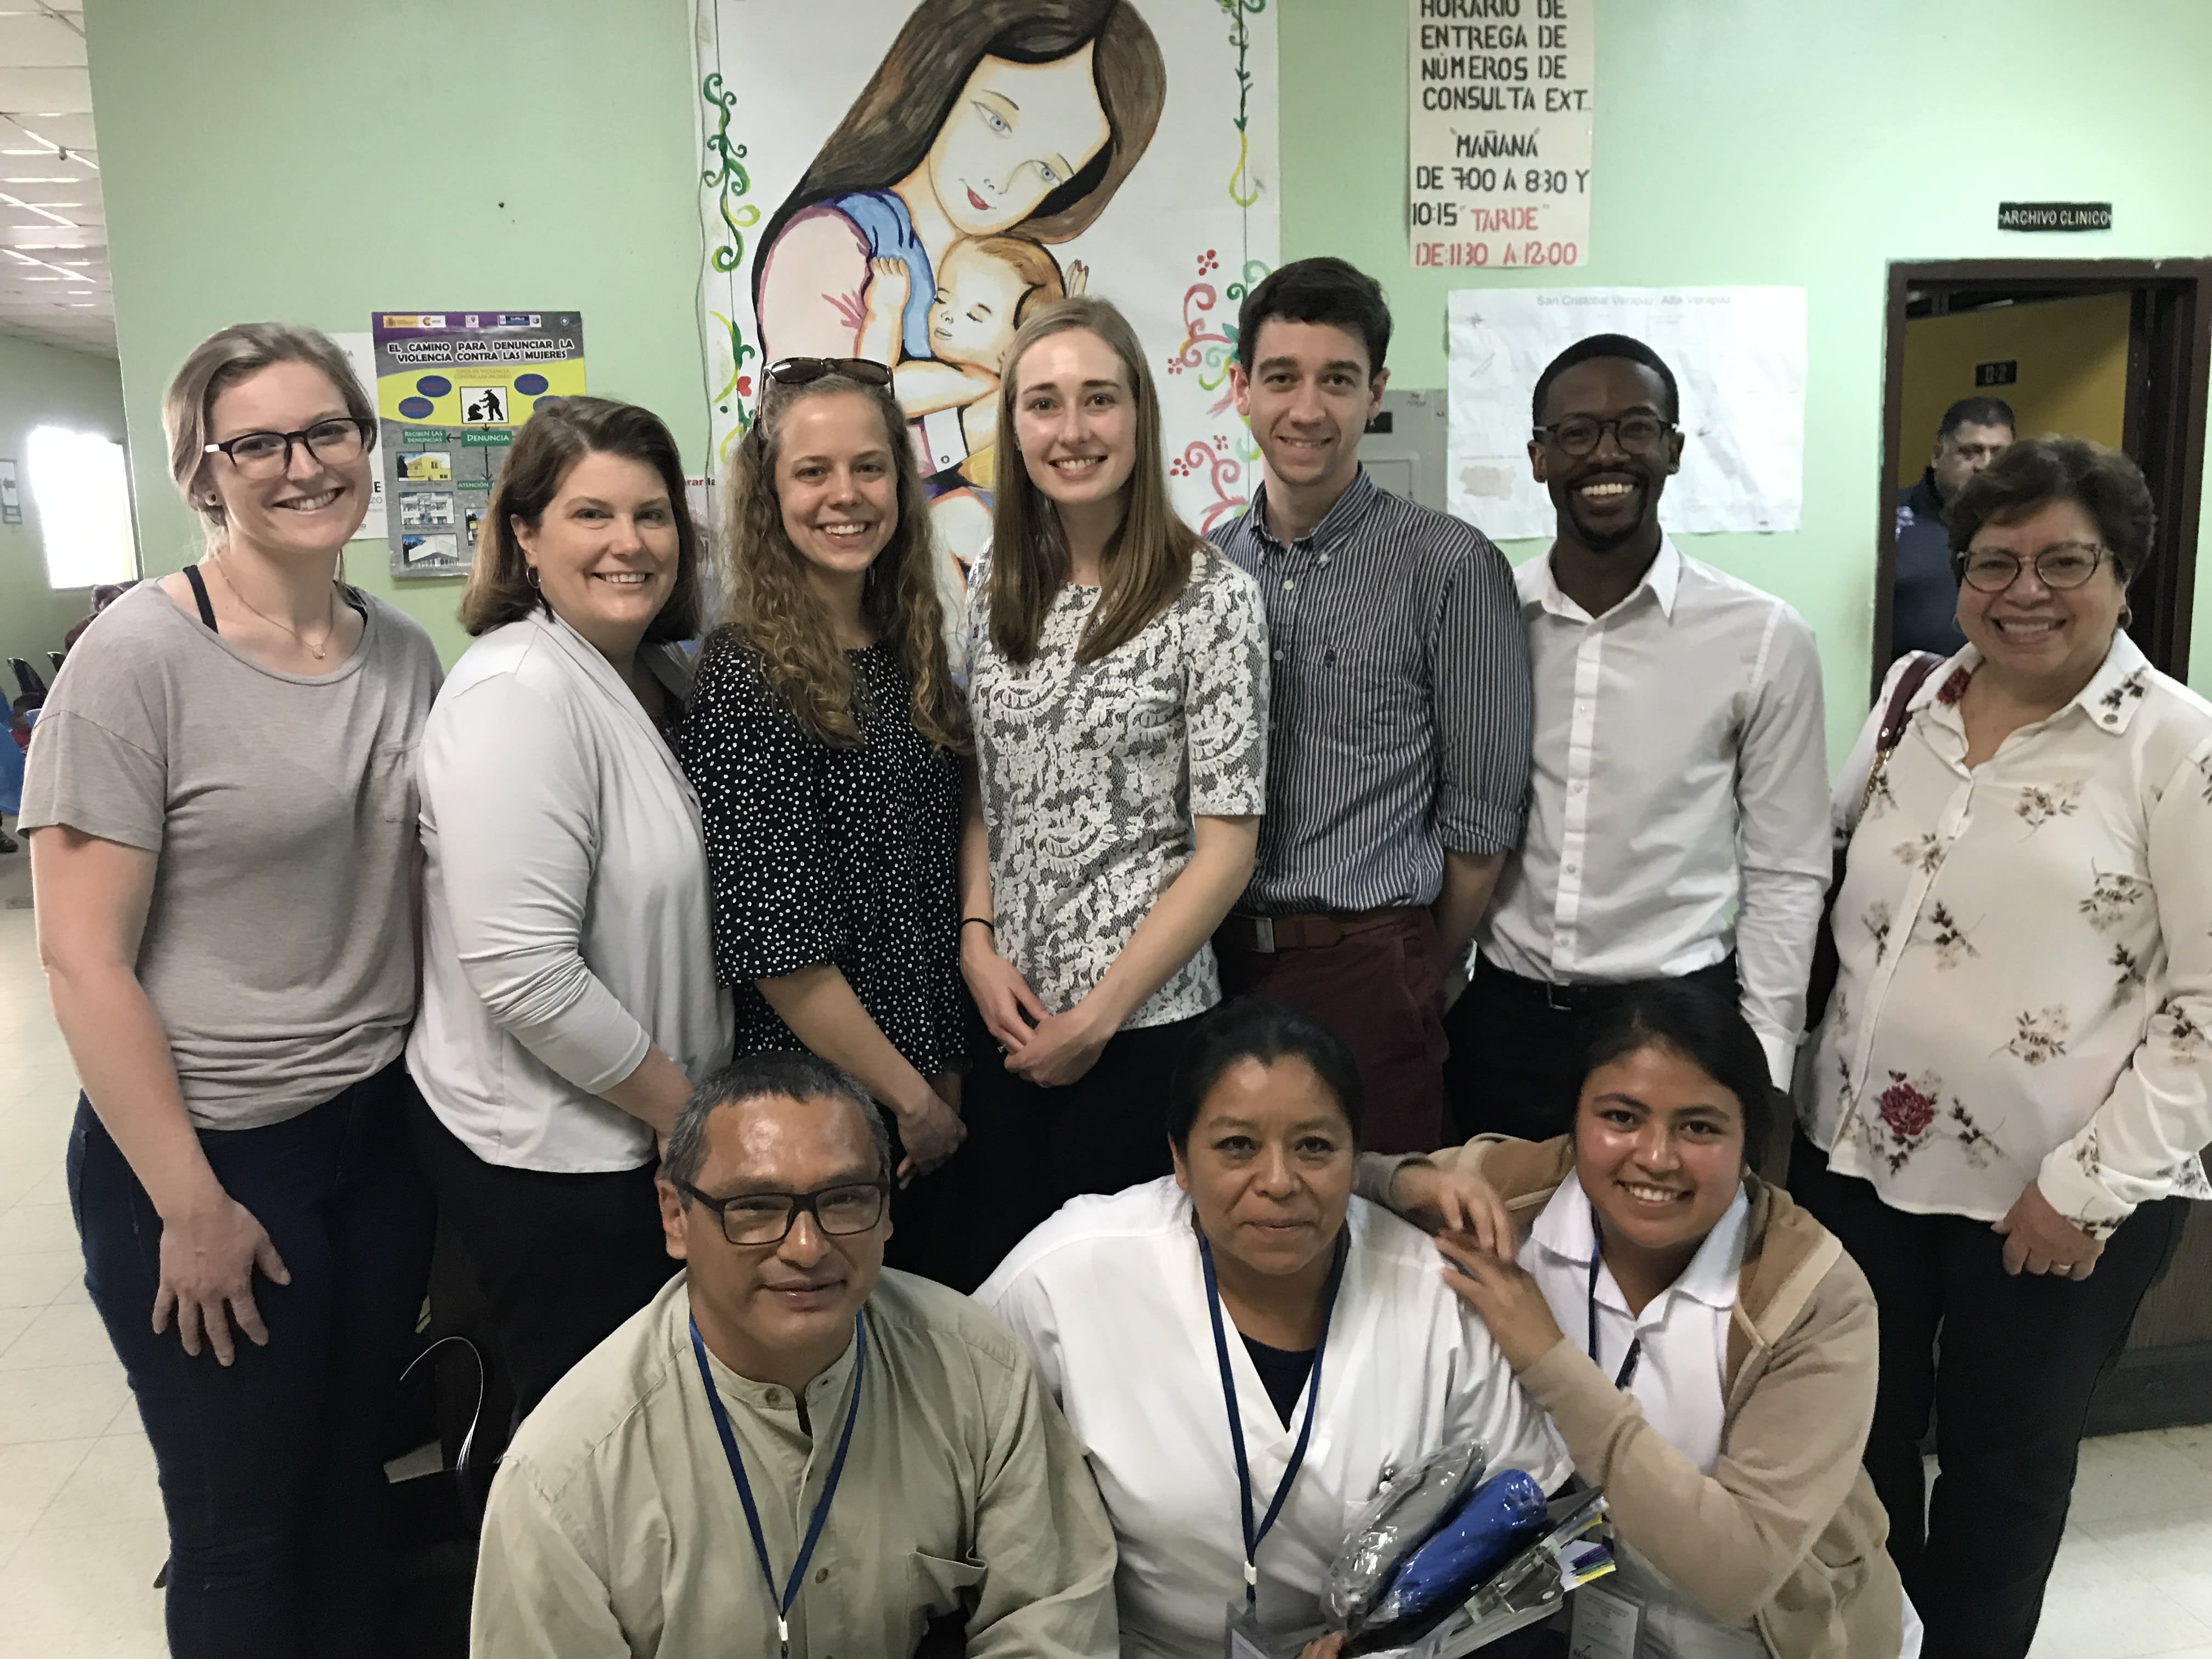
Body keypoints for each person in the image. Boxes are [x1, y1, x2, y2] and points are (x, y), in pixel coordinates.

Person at [22, 323, 441, 1657]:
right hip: (208, 1160)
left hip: (371, 1142)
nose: (302, 464)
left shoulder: (402, 654)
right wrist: (187, 1206)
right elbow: (79, 957)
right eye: (256, 442)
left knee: (353, 1494)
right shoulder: (138, 658)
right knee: (239, 1526)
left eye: (328, 431)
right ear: (204, 473)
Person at [1792, 435, 2212, 1659]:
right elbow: (1829, 872)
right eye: (1994, 561)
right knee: (1854, 1444)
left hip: (2051, 1196)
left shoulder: (2177, 749)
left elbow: (2208, 1002)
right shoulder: (1914, 697)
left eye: (2063, 561)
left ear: (2123, 570)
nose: (2024, 591)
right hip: (1858, 1159)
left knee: (2000, 1470)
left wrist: (2086, 1192)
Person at [470, 1052, 1121, 1658]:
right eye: (755, 1208)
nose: (807, 1247)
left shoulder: (978, 1368)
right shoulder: (563, 1478)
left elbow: (1055, 1621)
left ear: (887, 1210)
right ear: (675, 1216)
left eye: (844, 1200)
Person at [978, 996, 1567, 1658]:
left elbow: (1519, 1526)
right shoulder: (1067, 1275)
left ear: (1356, 1155)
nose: (1279, 1181)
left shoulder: (1437, 1295)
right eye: (1237, 1146)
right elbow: (964, 1445)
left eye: (1315, 1147)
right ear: (1179, 1157)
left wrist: (1394, 1640)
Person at [1370, 983, 1917, 1658]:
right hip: (1561, 1617)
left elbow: (1739, 1572)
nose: (1655, 1157)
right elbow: (1325, 1182)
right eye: (1621, 1117)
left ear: (1751, 1141)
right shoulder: (1516, 1193)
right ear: (1574, 1120)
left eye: (1700, 1127)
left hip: (1759, 1637)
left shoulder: (1814, 1298)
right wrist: (1407, 1180)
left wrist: (1547, 1356)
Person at [408, 397, 733, 1416]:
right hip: (560, 1163)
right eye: (591, 514)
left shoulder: (650, 676)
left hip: (637, 1138)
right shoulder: (516, 694)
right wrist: (692, 1122)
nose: (629, 543)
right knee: (595, 1461)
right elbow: (525, 974)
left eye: (652, 514)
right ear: (523, 533)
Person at [953, 294, 1269, 1289]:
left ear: (1140, 415)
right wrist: (975, 937)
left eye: (1099, 398)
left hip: (1144, 1032)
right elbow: (983, 785)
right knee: (1005, 1304)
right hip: (1005, 1015)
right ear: (1014, 428)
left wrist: (1096, 1017)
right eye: (1043, 404)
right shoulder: (995, 580)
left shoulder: (1209, 597)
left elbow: (1226, 846)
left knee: (1131, 1309)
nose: (1072, 429)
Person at [1446, 333, 1829, 1143]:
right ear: (1539, 458)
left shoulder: (1762, 637)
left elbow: (1787, 869)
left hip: (1681, 1022)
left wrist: (1763, 1060)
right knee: (1493, 1254)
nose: (1607, 454)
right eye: (1576, 433)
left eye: (1636, 428)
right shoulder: (1483, 624)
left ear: (1675, 449)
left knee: (1661, 1266)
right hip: (1509, 1024)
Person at [1211, 257, 1532, 1154]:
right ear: (1241, 389)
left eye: (1337, 380)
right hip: (1212, 961)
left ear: (1374, 392)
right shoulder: (1205, 566)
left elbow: (1480, 821)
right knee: (1241, 1226)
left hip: (1367, 962)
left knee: (1378, 1233)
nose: (1306, 409)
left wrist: (1419, 961)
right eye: (1280, 378)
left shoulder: (1451, 566)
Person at [679, 358, 972, 1278]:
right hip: (822, 1111)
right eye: (812, 472)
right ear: (769, 495)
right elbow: (780, 950)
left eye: (869, 467)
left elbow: (924, 881)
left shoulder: (906, 650)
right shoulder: (746, 676)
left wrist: (941, 1076)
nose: (844, 495)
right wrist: (911, 1099)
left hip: (926, 1088)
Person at [753, 0, 1165, 579]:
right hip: (870, 601)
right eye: (997, 121)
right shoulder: (834, 243)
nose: (1002, 179)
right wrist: (979, 419)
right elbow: (828, 470)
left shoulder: (1009, 270)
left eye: (1047, 170)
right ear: (942, 81)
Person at [861, 238, 1078, 496]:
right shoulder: (978, 380)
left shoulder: (971, 381)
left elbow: (878, 389)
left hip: (914, 463)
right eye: (941, 299)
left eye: (975, 316)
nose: (947, 314)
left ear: (1013, 350)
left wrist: (886, 309)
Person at [1891, 396, 2013, 661]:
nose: (1985, 466)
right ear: (1937, 456)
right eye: (1970, 452)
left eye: (1999, 454)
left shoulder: (2027, 527)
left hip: (2003, 688)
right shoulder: (1888, 520)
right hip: (1908, 692)